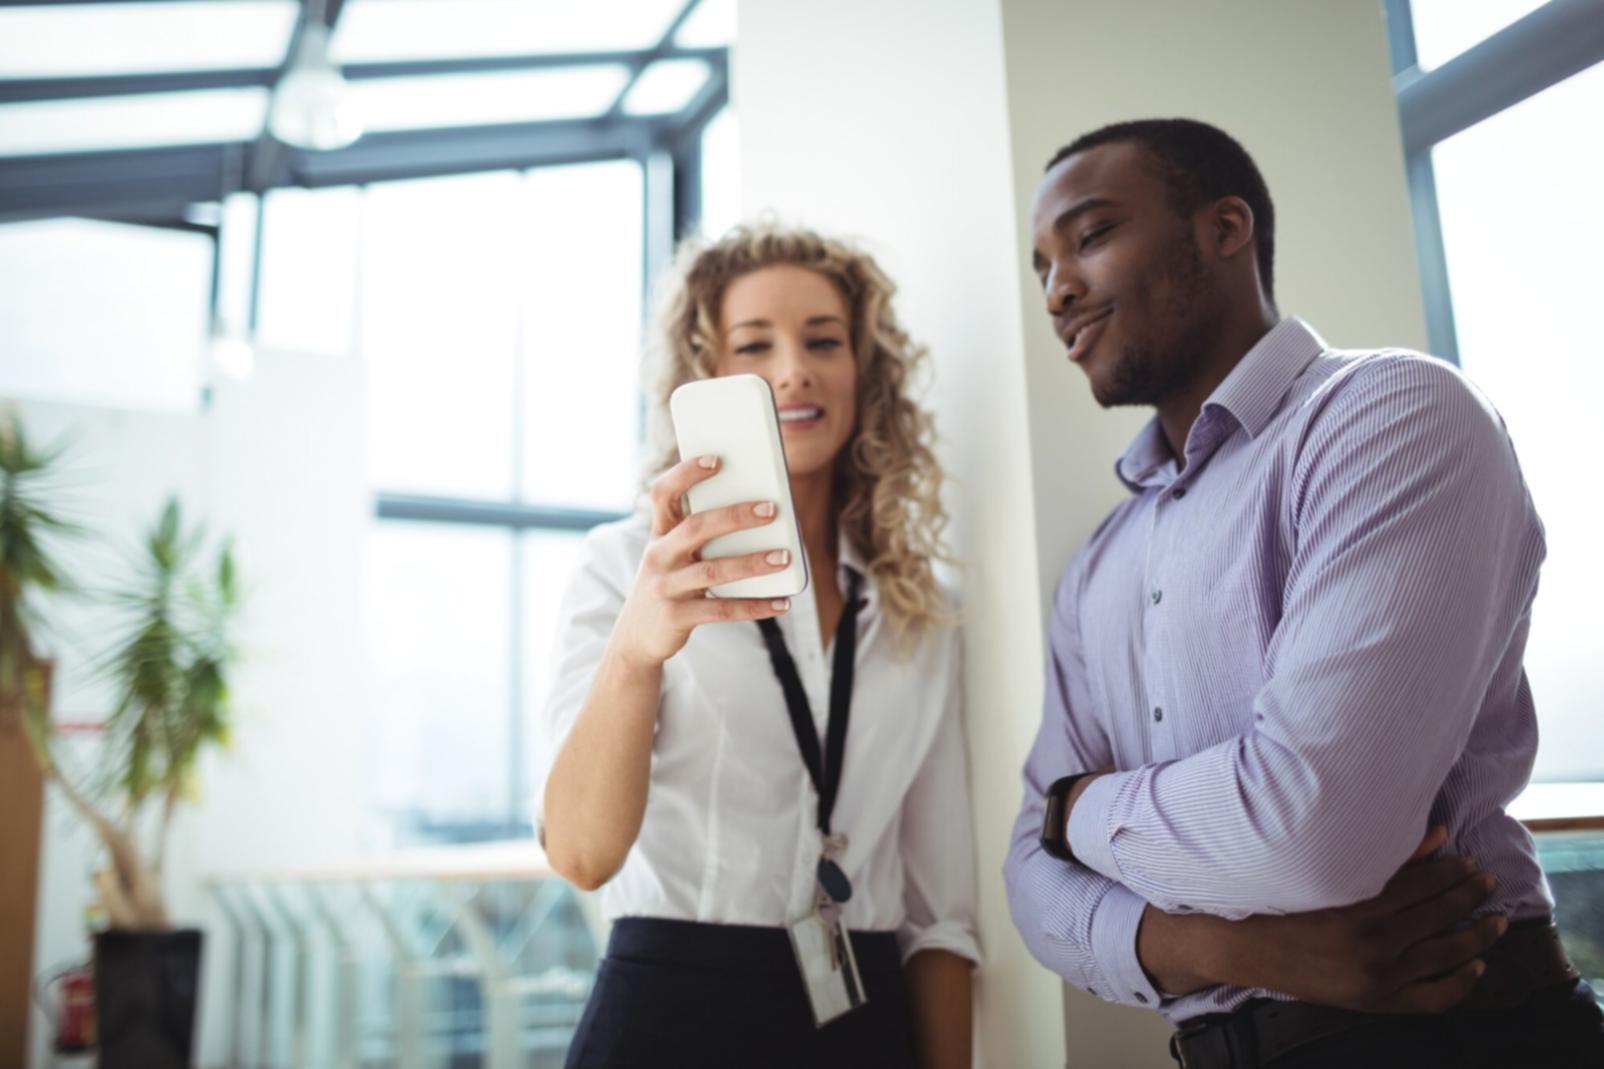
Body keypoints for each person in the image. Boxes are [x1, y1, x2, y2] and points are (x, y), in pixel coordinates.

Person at [1003, 118, 1604, 1067]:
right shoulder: (1097, 566)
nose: (1057, 291)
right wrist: (1226, 948)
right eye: (1041, 267)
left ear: (1225, 228)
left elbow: (1311, 832)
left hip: (1458, 1031)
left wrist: (1075, 811)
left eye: (1091, 236)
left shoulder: (1391, 415)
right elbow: (1029, 885)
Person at [538, 224, 979, 1069]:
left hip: (866, 1023)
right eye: (754, 345)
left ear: (865, 370)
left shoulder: (918, 608)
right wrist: (636, 651)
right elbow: (582, 854)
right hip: (669, 1018)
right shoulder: (623, 567)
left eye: (824, 340)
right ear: (702, 376)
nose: (794, 369)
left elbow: (940, 916)